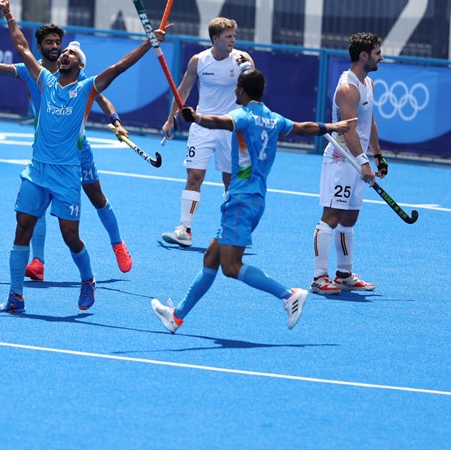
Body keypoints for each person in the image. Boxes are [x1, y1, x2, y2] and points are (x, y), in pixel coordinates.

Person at [0, 0, 167, 314]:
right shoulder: (44, 80)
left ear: (79, 64)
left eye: (70, 53)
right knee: (22, 227)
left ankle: (88, 279)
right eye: (63, 52)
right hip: (37, 169)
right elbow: (22, 47)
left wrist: (148, 43)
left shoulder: (86, 87)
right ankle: (16, 296)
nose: (64, 54)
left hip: (68, 172)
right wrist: (8, 15)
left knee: (71, 236)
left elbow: (120, 66)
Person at [151, 69, 354, 333]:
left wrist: (197, 117)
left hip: (240, 199)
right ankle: (176, 316)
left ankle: (288, 295)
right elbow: (304, 128)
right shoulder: (274, 119)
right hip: (255, 198)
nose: (235, 91)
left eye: (237, 87)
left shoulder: (243, 116)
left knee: (231, 266)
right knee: (211, 258)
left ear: (242, 90)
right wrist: (332, 127)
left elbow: (219, 122)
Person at [0, 21, 132, 279]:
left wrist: (115, 121)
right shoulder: (30, 70)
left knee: (96, 196)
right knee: (36, 205)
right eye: (49, 42)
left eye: (58, 42)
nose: (55, 47)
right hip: (46, 151)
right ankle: (38, 261)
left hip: (77, 150)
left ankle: (117, 244)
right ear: (39, 47)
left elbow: (102, 98)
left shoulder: (75, 74)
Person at [160, 17, 254, 248]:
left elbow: (255, 89)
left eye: (234, 36)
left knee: (231, 182)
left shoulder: (242, 59)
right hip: (202, 126)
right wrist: (170, 119)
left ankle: (234, 231)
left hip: (231, 127)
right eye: (228, 37)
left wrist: (248, 72)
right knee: (194, 177)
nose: (233, 40)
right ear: (215, 39)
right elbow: (183, 91)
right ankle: (184, 230)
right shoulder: (199, 61)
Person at [311, 32, 387, 295]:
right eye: (377, 53)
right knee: (331, 217)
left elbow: (370, 122)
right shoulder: (348, 88)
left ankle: (344, 274)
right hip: (341, 161)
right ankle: (319, 277)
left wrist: (377, 156)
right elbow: (349, 130)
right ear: (364, 56)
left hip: (358, 161)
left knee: (350, 218)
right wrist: (364, 162)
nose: (381, 57)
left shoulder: (368, 83)